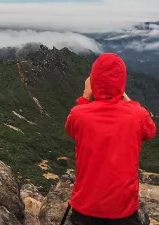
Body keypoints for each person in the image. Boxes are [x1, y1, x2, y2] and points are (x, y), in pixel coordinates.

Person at [65, 53, 156, 224]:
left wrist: (86, 95)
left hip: (85, 208)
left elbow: (70, 129)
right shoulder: (137, 116)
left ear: (93, 81)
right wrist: (123, 96)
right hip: (123, 211)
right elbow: (150, 131)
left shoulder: (79, 115)